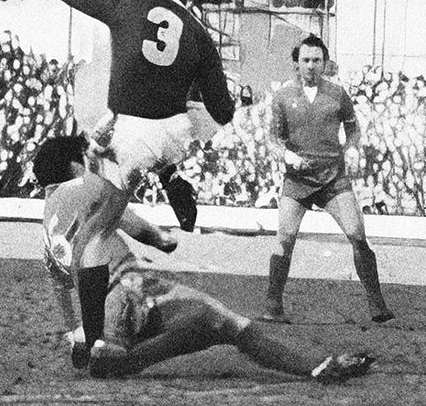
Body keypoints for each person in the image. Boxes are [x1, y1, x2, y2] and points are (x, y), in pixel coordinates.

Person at [35, 135, 372, 383]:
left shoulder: (51, 218)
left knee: (205, 326)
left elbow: (58, 282)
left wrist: (76, 332)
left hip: (111, 305)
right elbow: (144, 230)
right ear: (75, 166)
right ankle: (313, 368)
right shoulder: (86, 190)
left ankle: (109, 351)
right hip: (130, 290)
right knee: (226, 323)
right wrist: (165, 238)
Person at [47, 0, 237, 364]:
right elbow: (223, 111)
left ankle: (93, 336)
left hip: (128, 132)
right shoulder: (200, 33)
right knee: (110, 147)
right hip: (172, 133)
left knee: (96, 231)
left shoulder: (128, 0)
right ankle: (169, 176)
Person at [259, 35, 392, 324]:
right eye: (305, 60)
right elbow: (272, 137)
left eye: (316, 60)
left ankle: (377, 305)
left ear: (325, 63)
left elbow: (353, 129)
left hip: (333, 178)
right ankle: (273, 305)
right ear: (296, 64)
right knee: (284, 239)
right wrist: (286, 155)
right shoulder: (283, 97)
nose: (311, 66)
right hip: (297, 181)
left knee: (357, 236)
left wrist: (353, 148)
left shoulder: (337, 94)